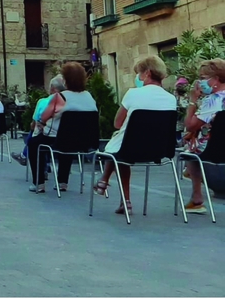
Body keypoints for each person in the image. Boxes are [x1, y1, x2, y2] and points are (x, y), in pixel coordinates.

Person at [93, 56, 175, 215]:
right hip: (159, 151)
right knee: (122, 150)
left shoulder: (133, 93)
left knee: (120, 148)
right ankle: (123, 200)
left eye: (139, 73)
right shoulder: (171, 99)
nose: (137, 78)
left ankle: (111, 186)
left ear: (147, 73)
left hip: (130, 148)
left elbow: (117, 123)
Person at [29, 62, 98, 194]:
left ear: (65, 80)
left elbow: (43, 117)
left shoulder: (59, 97)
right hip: (84, 142)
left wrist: (43, 123)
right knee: (68, 138)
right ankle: (62, 182)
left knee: (34, 143)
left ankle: (39, 183)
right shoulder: (89, 97)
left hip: (59, 140)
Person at [180, 58, 225, 215]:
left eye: (203, 78)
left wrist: (193, 101)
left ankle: (197, 198)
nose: (200, 82)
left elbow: (190, 124)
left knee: (189, 151)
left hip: (213, 150)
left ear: (216, 79)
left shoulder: (212, 100)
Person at [11, 76, 65, 166]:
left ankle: (28, 159)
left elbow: (36, 122)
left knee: (35, 134)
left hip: (50, 136)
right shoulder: (70, 102)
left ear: (53, 89)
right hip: (69, 139)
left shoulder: (44, 101)